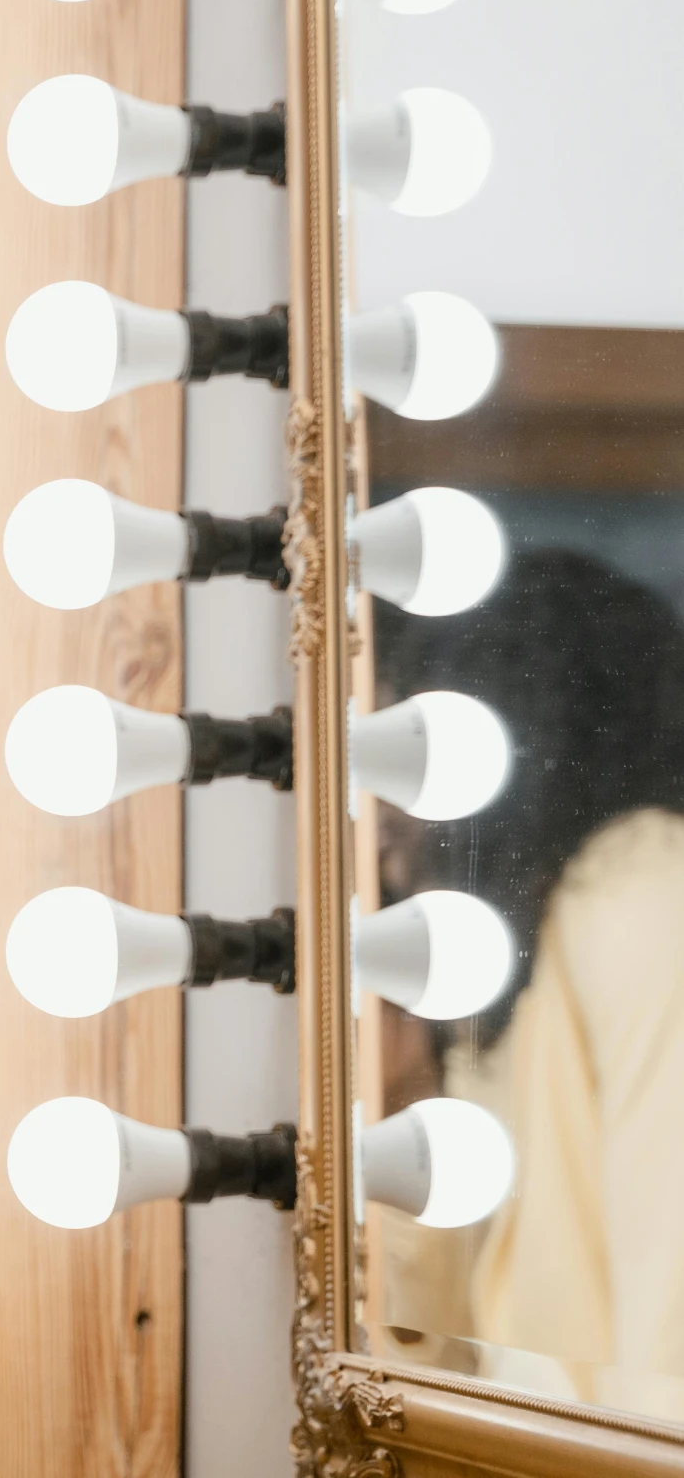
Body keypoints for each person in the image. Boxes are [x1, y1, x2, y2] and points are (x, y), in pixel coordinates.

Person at [375, 546, 684, 1416]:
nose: (376, 802)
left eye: (409, 736)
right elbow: (422, 1365)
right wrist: (405, 1091)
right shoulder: (499, 976)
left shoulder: (645, 897)